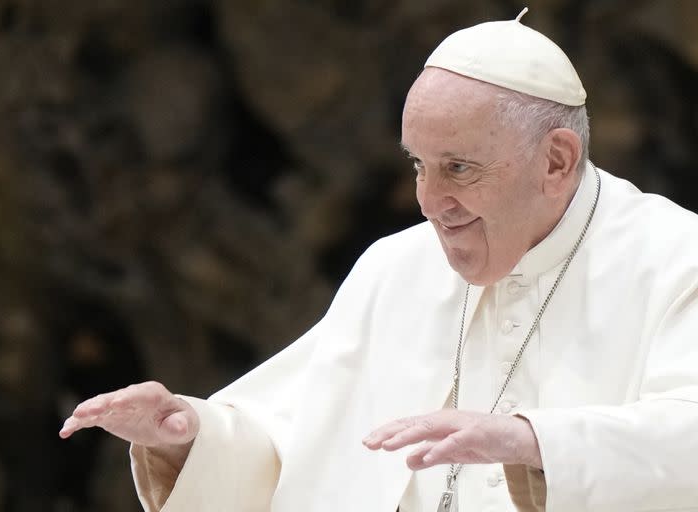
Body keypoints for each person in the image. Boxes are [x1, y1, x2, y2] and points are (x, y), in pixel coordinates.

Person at [59, 9, 698, 512]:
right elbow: (294, 445)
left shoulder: (675, 258)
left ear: (556, 161)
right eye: (419, 165)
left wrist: (535, 444)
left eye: (459, 168)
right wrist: (189, 435)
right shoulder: (396, 268)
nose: (428, 201)